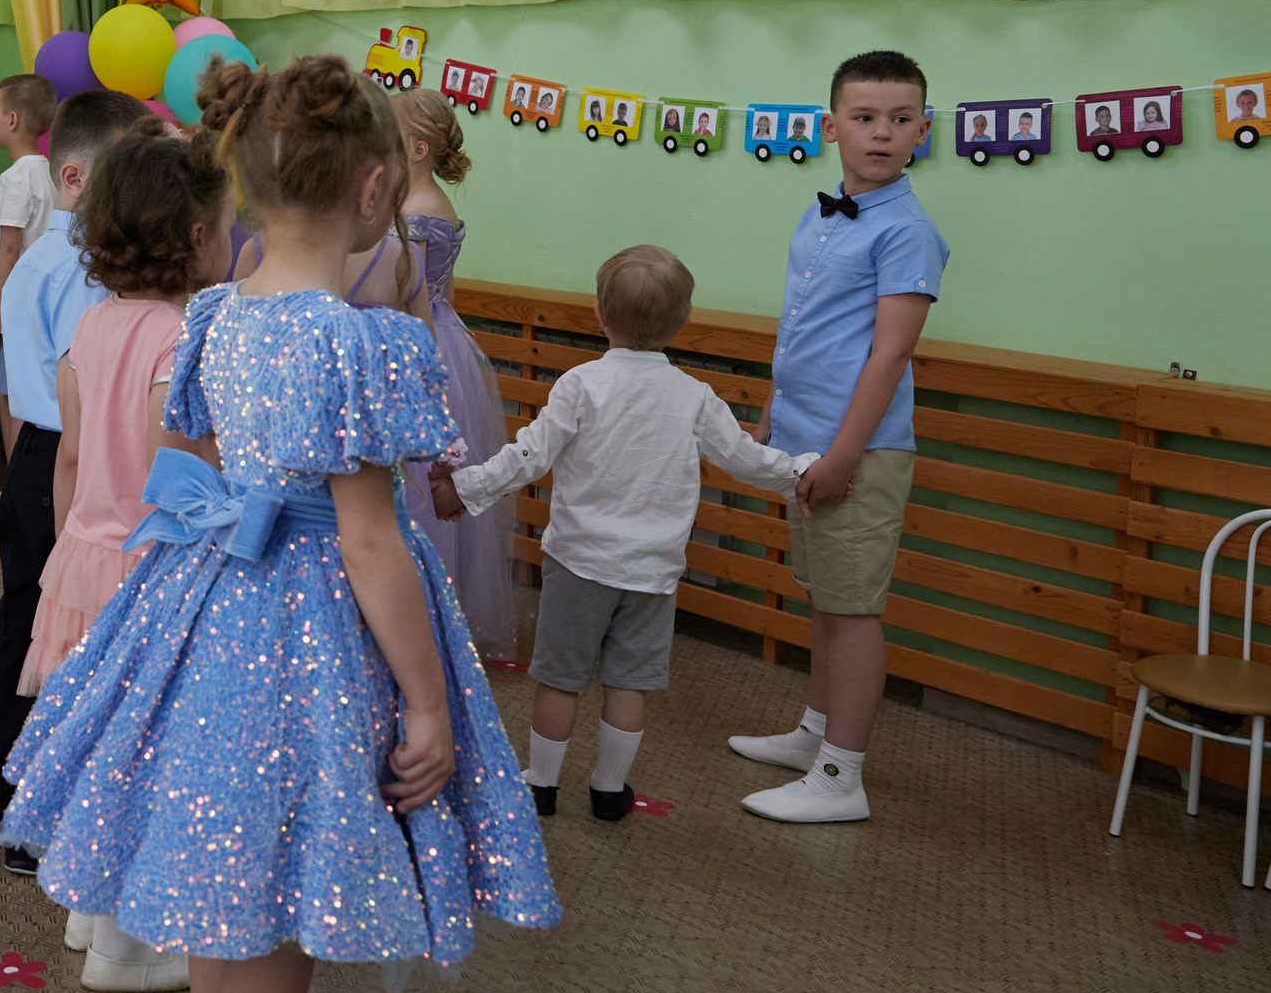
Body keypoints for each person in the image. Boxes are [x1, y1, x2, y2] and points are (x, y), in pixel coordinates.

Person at [0, 56, 557, 993]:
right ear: (373, 189)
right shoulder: (363, 337)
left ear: (248, 187)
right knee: (280, 894)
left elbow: (181, 463)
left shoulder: (214, 315)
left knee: (231, 876)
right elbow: (369, 537)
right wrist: (428, 703)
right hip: (307, 626)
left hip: (211, 603)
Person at [441, 246, 814, 820]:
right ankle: (610, 789)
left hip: (578, 562)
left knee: (559, 680)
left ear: (599, 314)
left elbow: (528, 457)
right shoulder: (694, 395)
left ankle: (541, 784)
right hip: (652, 572)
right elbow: (745, 458)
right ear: (683, 321)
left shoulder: (580, 385)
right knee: (629, 684)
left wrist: (463, 488)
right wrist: (801, 473)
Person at [21, 128, 232, 993]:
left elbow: (72, 456)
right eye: (227, 226)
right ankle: (122, 950)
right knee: (140, 756)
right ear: (195, 237)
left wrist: (71, 542)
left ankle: (84, 910)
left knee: (96, 743)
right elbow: (171, 471)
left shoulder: (93, 324)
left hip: (83, 556)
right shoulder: (182, 337)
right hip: (148, 569)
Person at [730, 50, 946, 824]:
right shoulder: (820, 214)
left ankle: (840, 775)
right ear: (831, 128)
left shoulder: (908, 231)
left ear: (923, 131)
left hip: (857, 451)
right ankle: (813, 734)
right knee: (825, 597)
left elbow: (890, 354)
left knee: (852, 611)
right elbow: (802, 331)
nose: (882, 132)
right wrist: (771, 416)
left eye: (900, 118)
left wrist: (843, 454)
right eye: (864, 117)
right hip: (804, 437)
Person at [0, 90, 156, 859]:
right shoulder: (85, 266)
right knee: (57, 639)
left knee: (26, 626)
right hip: (69, 460)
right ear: (74, 179)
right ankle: (29, 814)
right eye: (127, 175)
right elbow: (91, 385)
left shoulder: (38, 260)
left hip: (38, 456)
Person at [392, 88, 520, 659]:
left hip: (423, 342)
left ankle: (422, 615)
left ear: (417, 148)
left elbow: (410, 293)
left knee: (421, 477)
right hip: (442, 334)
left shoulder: (420, 211)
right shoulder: (421, 200)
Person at [0, 73, 56, 482]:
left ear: (12, 120)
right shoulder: (50, 173)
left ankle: (14, 490)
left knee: (8, 398)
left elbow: (8, 247)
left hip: (15, 307)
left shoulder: (16, 178)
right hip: (42, 304)